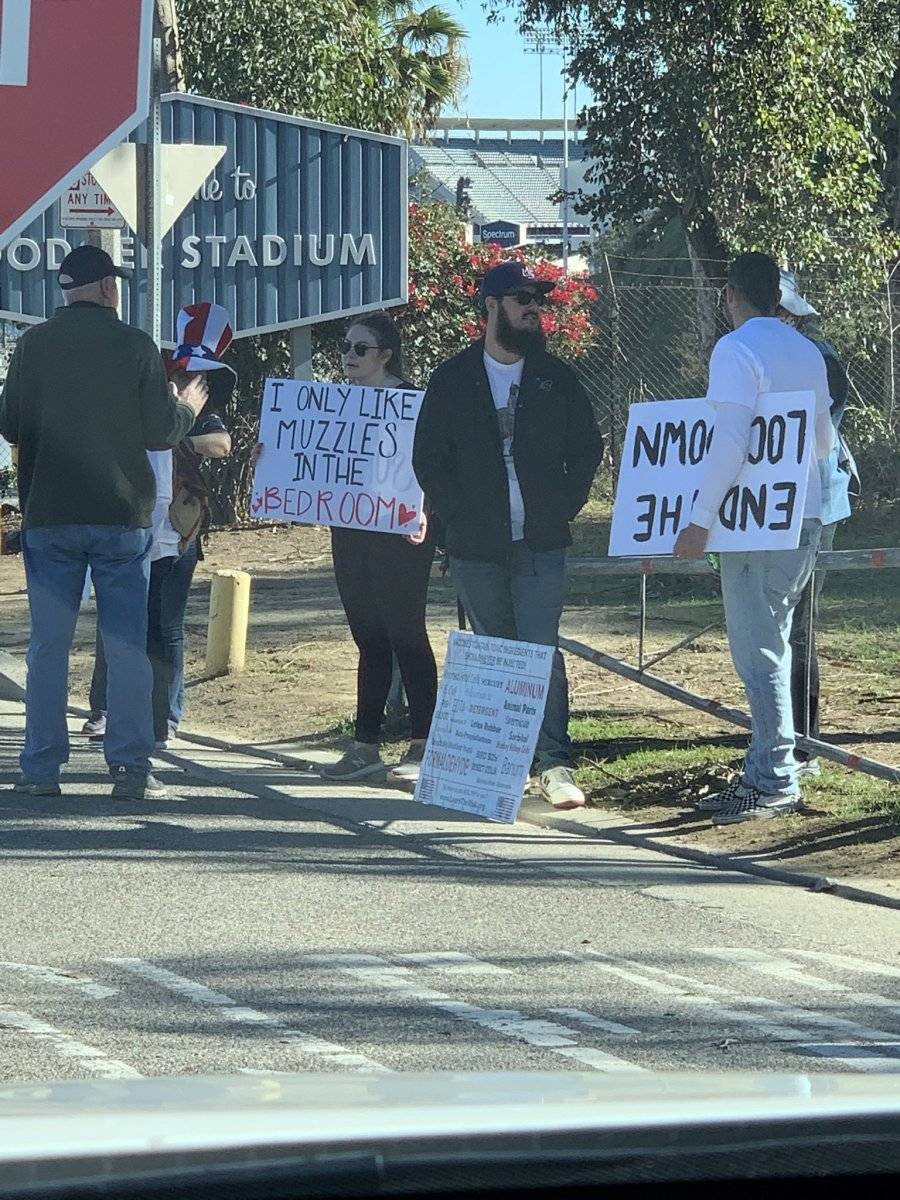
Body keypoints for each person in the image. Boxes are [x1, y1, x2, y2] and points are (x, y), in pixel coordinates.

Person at [0, 245, 207, 800]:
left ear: (67, 289)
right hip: (122, 517)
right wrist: (185, 404)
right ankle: (131, 769)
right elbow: (160, 433)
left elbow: (10, 422)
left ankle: (41, 771)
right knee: (125, 645)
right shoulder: (135, 346)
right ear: (107, 288)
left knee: (48, 647)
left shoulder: (33, 344)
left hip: (51, 514)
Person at [413, 261, 604, 810]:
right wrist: (457, 521)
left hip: (541, 542)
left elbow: (587, 449)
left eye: (536, 299)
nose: (533, 308)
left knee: (540, 649)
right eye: (521, 298)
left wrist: (561, 506)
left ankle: (555, 764)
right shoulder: (452, 380)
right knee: (495, 652)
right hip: (477, 546)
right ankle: (502, 765)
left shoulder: (556, 378)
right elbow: (429, 459)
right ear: (491, 307)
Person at [673, 252, 835, 825]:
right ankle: (771, 764)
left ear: (729, 295)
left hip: (752, 523)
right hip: (804, 512)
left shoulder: (735, 349)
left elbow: (730, 441)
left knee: (756, 649)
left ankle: (773, 778)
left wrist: (698, 517)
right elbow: (819, 442)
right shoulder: (806, 349)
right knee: (777, 638)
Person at [253, 312, 437, 783]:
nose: (349, 357)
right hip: (350, 531)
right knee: (368, 636)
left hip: (400, 534)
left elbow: (435, 467)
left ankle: (422, 744)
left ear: (385, 355)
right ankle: (364, 746)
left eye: (360, 348)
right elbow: (312, 461)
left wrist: (427, 514)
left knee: (406, 634)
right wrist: (273, 458)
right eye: (345, 348)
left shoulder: (412, 402)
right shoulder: (332, 405)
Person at [83, 304, 235, 746]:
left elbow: (221, 444)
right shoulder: (139, 395)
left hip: (177, 532)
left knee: (163, 627)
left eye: (199, 375)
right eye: (184, 370)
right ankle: (105, 708)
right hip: (127, 521)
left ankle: (164, 716)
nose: (190, 379)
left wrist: (177, 427)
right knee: (115, 621)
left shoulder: (203, 411)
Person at [777, 272, 856, 777]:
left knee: (799, 625)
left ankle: (804, 746)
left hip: (815, 505)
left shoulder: (819, 360)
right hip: (773, 507)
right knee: (776, 625)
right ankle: (779, 735)